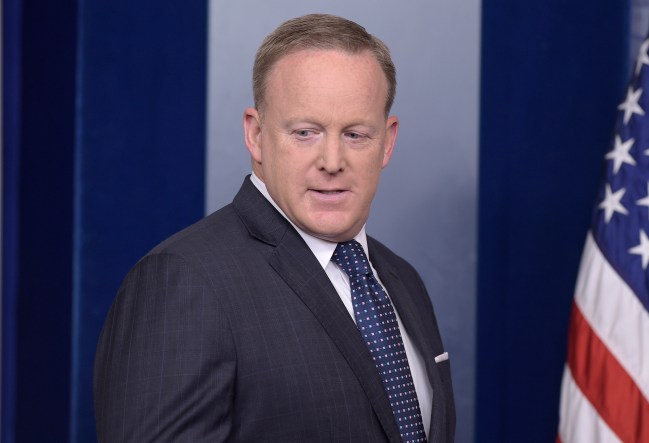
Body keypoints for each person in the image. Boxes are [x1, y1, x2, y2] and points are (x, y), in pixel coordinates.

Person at [93, 13, 456, 442]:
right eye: (306, 132)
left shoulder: (402, 281)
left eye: (356, 134)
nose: (333, 161)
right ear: (256, 135)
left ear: (387, 142)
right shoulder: (185, 280)